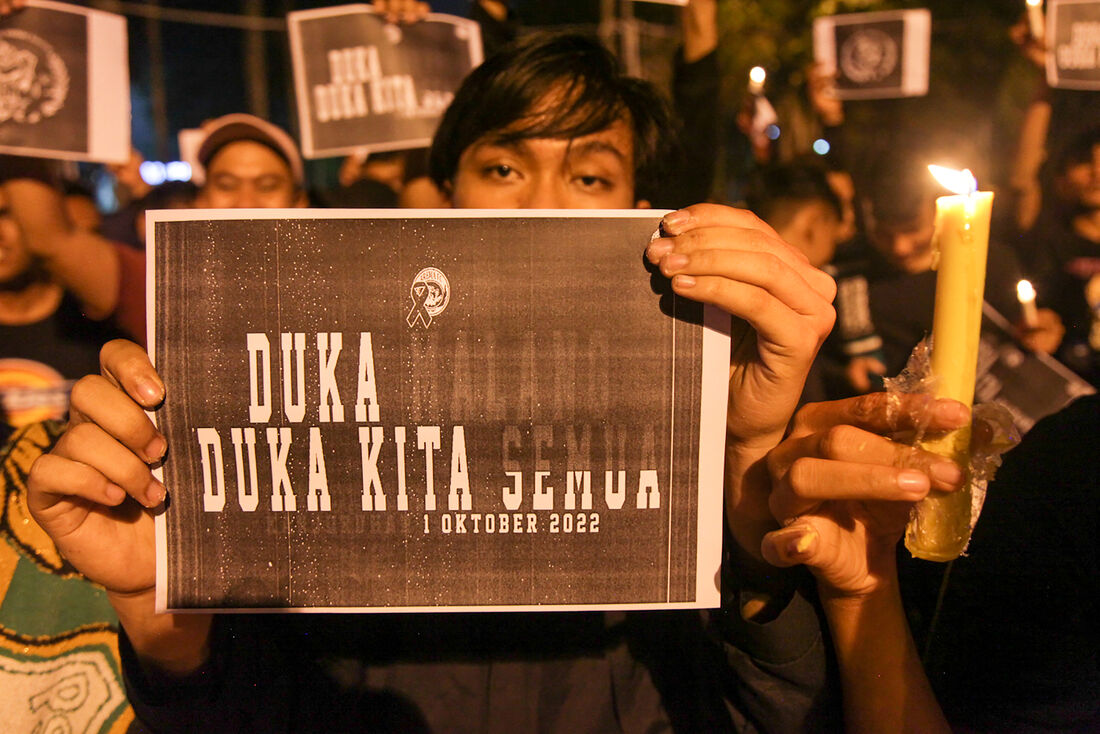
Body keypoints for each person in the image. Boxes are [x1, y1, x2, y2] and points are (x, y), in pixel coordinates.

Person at [28, 33, 960, 732]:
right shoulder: (319, 425)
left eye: (592, 179)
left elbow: (767, 714)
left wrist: (749, 497)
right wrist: (168, 623)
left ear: (649, 212)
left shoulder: (696, 439)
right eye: (505, 165)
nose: (544, 204)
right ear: (441, 195)